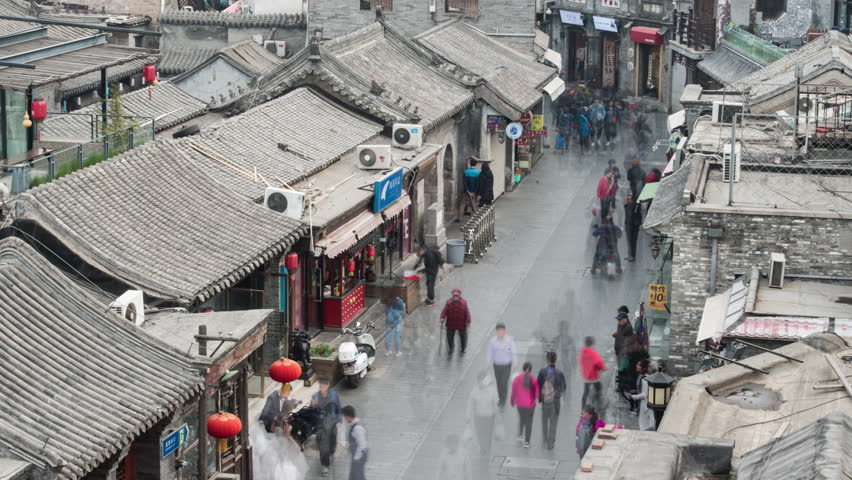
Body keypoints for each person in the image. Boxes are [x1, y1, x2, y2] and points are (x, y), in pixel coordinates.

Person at [311, 379, 343, 477]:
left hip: (333, 422)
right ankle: (325, 465)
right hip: (321, 424)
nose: (322, 389)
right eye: (320, 387)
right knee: (324, 445)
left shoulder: (334, 395)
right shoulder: (315, 396)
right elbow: (311, 411)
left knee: (332, 443)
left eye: (323, 387)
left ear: (328, 386)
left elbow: (339, 409)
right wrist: (314, 406)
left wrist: (339, 421)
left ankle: (331, 449)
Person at [537, 351, 567, 450]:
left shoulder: (542, 372)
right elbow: (563, 388)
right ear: (555, 360)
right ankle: (551, 443)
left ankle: (545, 438)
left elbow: (538, 386)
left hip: (546, 401)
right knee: (554, 422)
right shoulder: (560, 373)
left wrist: (540, 398)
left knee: (544, 420)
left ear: (547, 360)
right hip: (556, 402)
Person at [466, 370, 498, 456]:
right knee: (480, 433)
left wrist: (497, 415)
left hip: (489, 416)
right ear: (478, 380)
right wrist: (468, 416)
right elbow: (470, 405)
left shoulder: (492, 391)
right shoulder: (474, 391)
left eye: (483, 380)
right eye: (480, 380)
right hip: (479, 416)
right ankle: (483, 447)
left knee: (488, 433)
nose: (481, 382)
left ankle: (486, 447)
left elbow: (495, 403)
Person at [487, 322, 518, 408]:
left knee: (504, 383)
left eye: (502, 331)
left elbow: (513, 352)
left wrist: (515, 363)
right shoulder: (493, 341)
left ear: (504, 331)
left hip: (506, 365)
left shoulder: (509, 341)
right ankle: (501, 397)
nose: (500, 333)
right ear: (496, 332)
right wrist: (488, 363)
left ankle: (503, 399)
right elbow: (490, 353)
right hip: (496, 365)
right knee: (499, 383)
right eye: (499, 331)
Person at [510, 362, 539, 448]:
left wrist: (512, 401)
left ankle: (520, 434)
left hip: (520, 405)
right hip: (530, 405)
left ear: (523, 368)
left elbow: (513, 392)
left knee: (522, 418)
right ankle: (527, 442)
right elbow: (537, 393)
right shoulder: (533, 380)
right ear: (531, 369)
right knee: (529, 423)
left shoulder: (517, 379)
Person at [440, 288, 471, 355]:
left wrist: (468, 320)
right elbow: (444, 311)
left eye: (457, 296)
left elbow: (467, 312)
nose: (455, 297)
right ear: (452, 296)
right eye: (454, 296)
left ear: (459, 296)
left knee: (463, 337)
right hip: (451, 323)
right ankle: (451, 347)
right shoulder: (448, 302)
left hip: (461, 324)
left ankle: (463, 348)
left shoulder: (464, 302)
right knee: (449, 337)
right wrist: (442, 318)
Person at [578, 336, 606, 409]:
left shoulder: (583, 352)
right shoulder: (593, 352)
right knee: (599, 388)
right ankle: (598, 405)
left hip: (586, 377)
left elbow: (581, 362)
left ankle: (583, 408)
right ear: (592, 343)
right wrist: (603, 368)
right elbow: (599, 363)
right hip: (594, 376)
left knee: (585, 393)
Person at [343, 405, 368, 480]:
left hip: (359, 456)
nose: (344, 418)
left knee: (358, 477)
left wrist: (356, 459)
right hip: (358, 456)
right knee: (353, 476)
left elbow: (362, 445)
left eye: (345, 416)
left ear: (348, 416)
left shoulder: (357, 428)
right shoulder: (354, 424)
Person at [629, 360, 656, 430]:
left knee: (644, 425)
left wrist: (633, 397)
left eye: (639, 365)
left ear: (644, 368)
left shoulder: (645, 379)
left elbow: (644, 394)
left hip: (645, 405)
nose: (636, 366)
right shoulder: (641, 376)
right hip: (644, 404)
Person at [457, 157, 481, 222]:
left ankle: (460, 218)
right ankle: (474, 219)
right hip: (474, 193)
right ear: (476, 164)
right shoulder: (478, 173)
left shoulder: (465, 172)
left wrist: (468, 191)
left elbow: (464, 183)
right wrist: (474, 192)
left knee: (462, 204)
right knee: (474, 205)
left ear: (470, 164)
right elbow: (478, 184)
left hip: (466, 192)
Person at [624, 194, 642, 262]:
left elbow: (639, 216)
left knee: (633, 242)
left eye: (629, 199)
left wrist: (637, 224)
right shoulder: (626, 206)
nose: (628, 200)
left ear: (632, 199)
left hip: (634, 227)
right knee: (628, 241)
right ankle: (629, 255)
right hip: (628, 226)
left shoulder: (636, 206)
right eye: (627, 199)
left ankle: (633, 256)